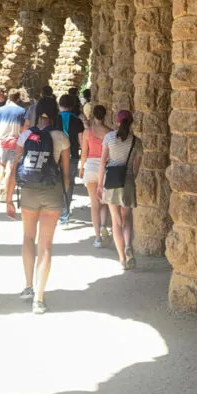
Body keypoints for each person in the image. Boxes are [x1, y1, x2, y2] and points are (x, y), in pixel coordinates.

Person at [6, 99, 71, 313]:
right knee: (46, 245)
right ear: (54, 115)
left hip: (29, 192)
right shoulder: (61, 137)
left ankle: (27, 286)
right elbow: (65, 172)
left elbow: (15, 166)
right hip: (51, 192)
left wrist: (8, 198)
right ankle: (40, 299)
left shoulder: (26, 136)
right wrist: (65, 197)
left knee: (27, 238)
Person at [98, 110, 142, 270]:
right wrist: (130, 179)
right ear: (131, 123)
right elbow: (136, 168)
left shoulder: (109, 138)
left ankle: (122, 259)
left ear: (117, 122)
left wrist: (99, 185)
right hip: (128, 182)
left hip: (111, 182)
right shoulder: (137, 142)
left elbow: (103, 162)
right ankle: (129, 245)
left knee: (116, 221)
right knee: (127, 218)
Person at [79, 103, 111, 247]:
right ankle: (104, 226)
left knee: (94, 204)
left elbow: (84, 152)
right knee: (103, 201)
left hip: (91, 167)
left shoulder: (87, 132)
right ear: (105, 116)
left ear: (93, 115)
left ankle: (97, 238)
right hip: (104, 168)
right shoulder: (109, 133)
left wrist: (81, 168)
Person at [0, 89, 27, 201]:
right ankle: (5, 192)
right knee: (10, 168)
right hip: (15, 141)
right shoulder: (21, 111)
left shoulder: (2, 110)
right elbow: (22, 128)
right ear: (17, 98)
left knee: (1, 164)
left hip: (3, 141)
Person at [58, 93, 84, 224]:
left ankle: (56, 209)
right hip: (72, 156)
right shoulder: (77, 120)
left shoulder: (55, 119)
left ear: (60, 104)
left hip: (56, 156)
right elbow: (81, 141)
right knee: (69, 182)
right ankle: (65, 212)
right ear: (72, 106)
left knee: (56, 181)